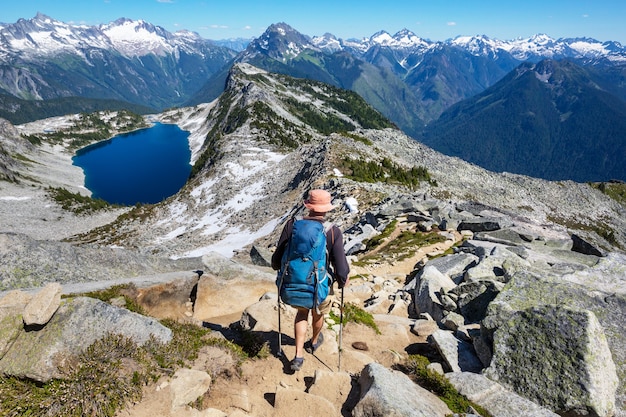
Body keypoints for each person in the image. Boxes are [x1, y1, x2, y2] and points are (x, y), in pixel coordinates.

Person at [271, 189, 350, 372]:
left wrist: (277, 267)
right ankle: (314, 341)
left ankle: (298, 356)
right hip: (319, 283)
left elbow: (278, 255)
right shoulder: (332, 231)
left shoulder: (293, 224)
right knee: (319, 313)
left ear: (308, 205)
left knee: (301, 314)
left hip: (295, 280)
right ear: (326, 209)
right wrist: (342, 279)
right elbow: (341, 264)